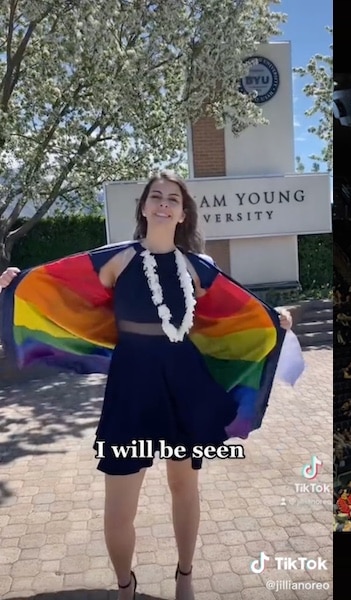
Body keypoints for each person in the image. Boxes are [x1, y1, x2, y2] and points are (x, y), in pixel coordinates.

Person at [0, 171, 302, 600]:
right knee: (120, 502)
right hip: (132, 387)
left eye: (173, 199)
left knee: (184, 486)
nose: (164, 203)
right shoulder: (118, 259)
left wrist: (277, 320)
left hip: (183, 383)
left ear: (182, 214)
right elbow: (59, 281)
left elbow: (241, 306)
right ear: (143, 208)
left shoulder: (198, 268)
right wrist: (18, 283)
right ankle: (125, 584)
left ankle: (185, 576)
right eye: (155, 196)